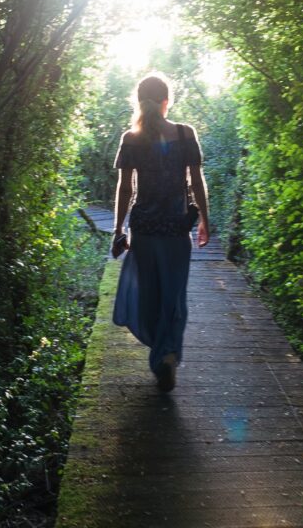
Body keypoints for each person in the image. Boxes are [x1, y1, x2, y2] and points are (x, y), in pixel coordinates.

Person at [111, 72, 209, 392]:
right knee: (174, 297)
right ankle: (166, 353)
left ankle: (161, 352)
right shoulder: (184, 134)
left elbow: (125, 189)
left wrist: (118, 229)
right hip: (176, 230)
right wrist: (205, 220)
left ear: (138, 102)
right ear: (167, 102)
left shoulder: (131, 138)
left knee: (149, 297)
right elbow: (196, 181)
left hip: (145, 232)